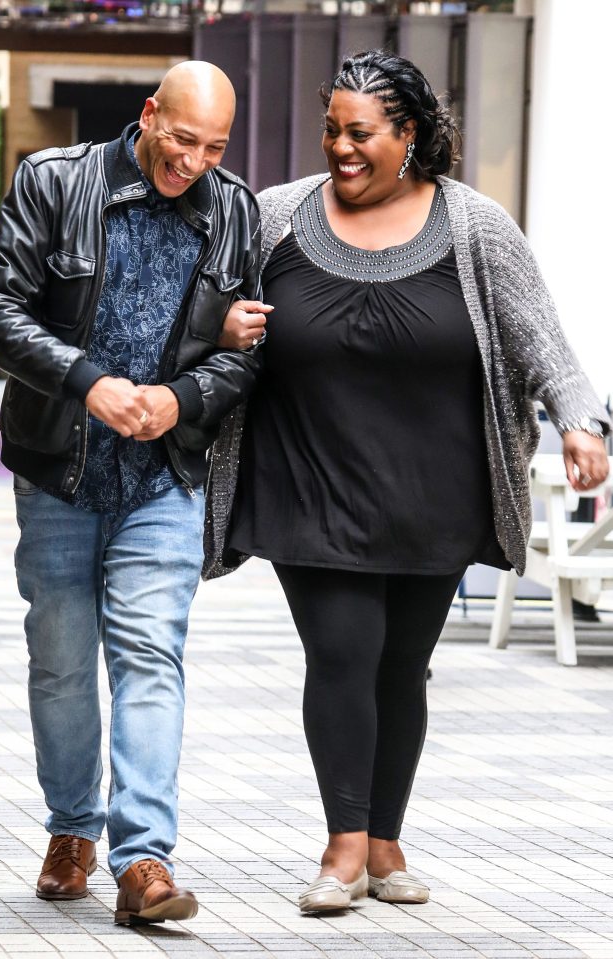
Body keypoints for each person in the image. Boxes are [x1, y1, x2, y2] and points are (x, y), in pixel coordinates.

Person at [205, 50, 610, 914]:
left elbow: (541, 339)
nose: (340, 148)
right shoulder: (276, 216)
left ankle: (384, 836)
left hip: (436, 490)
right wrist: (223, 326)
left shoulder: (473, 226)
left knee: (403, 666)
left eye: (360, 133)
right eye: (331, 131)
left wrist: (580, 421)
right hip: (304, 480)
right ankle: (343, 843)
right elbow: (206, 315)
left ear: (409, 135)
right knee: (342, 652)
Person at [0, 60, 271, 925]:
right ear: (148, 115)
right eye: (182, 140)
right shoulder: (53, 182)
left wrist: (181, 398)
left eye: (214, 148)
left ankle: (144, 859)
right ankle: (72, 832)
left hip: (163, 474)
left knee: (149, 656)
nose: (195, 163)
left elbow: (243, 350)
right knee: (62, 661)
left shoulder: (233, 210)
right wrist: (87, 381)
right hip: (58, 466)